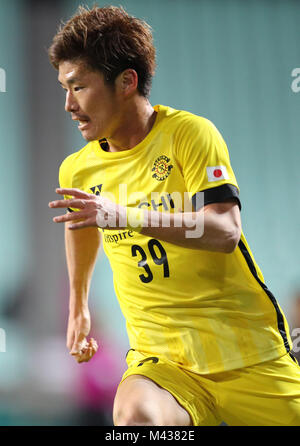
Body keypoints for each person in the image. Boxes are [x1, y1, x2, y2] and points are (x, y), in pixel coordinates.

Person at [48, 5, 300, 426]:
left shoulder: (190, 134)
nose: (69, 104)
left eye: (79, 87)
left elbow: (224, 231)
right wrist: (79, 306)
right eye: (64, 88)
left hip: (248, 356)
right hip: (162, 362)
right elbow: (82, 226)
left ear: (127, 81)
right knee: (136, 420)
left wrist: (124, 216)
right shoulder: (77, 168)